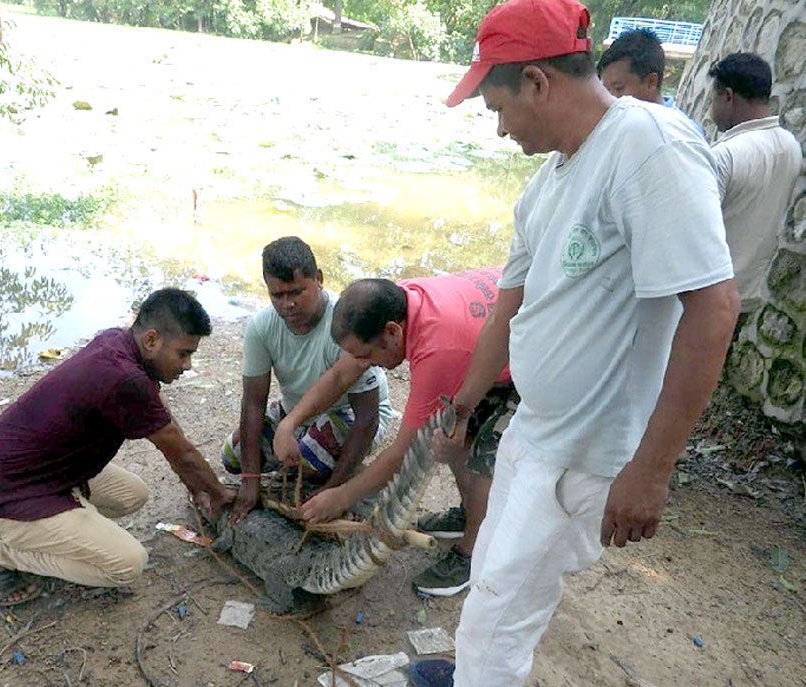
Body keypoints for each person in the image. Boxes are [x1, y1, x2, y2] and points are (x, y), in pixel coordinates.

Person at [438, 0, 739, 684]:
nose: (497, 129)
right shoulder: (544, 183)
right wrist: (463, 404)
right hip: (533, 432)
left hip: (585, 449)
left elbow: (713, 308)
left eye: (496, 106)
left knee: (495, 619)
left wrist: (651, 469)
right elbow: (507, 308)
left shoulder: (647, 148)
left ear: (537, 83)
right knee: (489, 582)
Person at [0, 289, 235, 602]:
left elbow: (170, 433)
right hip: (5, 494)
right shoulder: (126, 378)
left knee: (133, 495)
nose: (187, 365)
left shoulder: (116, 342)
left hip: (44, 474)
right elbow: (182, 454)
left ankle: (58, 527)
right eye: (183, 353)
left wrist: (199, 487)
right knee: (127, 565)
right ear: (151, 341)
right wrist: (219, 495)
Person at [277, 269, 514, 597]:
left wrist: (342, 496)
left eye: (367, 355)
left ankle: (472, 554)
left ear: (392, 331)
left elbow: (404, 450)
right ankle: (467, 514)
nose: (366, 364)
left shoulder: (437, 350)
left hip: (531, 361)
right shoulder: (393, 303)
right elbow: (341, 374)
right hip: (481, 341)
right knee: (454, 435)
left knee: (484, 458)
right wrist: (288, 424)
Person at [222, 237, 397, 523]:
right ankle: (312, 449)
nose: (287, 304)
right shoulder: (261, 327)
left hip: (348, 413)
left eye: (296, 292)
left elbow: (368, 418)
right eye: (276, 295)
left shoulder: (346, 323)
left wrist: (333, 492)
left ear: (319, 279)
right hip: (298, 410)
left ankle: (346, 472)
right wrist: (250, 481)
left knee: (307, 460)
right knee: (233, 457)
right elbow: (253, 403)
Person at [708, 52, 802, 316]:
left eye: (712, 99)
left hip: (705, 299)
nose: (711, 108)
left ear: (727, 95)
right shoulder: (790, 146)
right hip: (744, 298)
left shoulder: (724, 155)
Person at [597, 28, 703, 134]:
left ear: (651, 82)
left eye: (618, 88)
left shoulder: (682, 133)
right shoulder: (613, 121)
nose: (610, 98)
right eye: (606, 90)